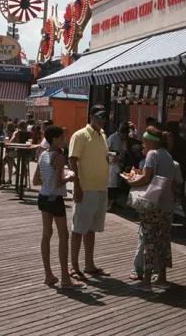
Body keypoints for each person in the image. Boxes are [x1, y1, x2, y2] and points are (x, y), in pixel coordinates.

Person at [126, 126, 177, 291]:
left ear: (150, 141)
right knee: (163, 241)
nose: (143, 143)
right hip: (167, 204)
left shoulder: (152, 154)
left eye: (144, 141)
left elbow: (147, 178)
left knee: (149, 241)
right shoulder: (168, 155)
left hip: (153, 205)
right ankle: (162, 278)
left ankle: (146, 281)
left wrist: (131, 181)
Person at [38, 125, 83, 290]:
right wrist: (70, 177)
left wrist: (50, 178)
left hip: (43, 197)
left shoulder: (42, 154)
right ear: (55, 139)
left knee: (46, 234)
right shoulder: (59, 157)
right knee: (63, 237)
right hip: (55, 199)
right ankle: (65, 278)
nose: (64, 140)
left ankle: (48, 274)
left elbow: (36, 179)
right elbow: (58, 183)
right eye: (62, 137)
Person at [68, 105, 110, 279]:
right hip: (86, 188)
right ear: (91, 116)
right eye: (99, 117)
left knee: (91, 229)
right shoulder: (80, 135)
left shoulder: (103, 135)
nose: (102, 120)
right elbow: (72, 160)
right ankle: (74, 267)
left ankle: (89, 265)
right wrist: (77, 186)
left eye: (104, 117)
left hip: (101, 187)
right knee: (78, 229)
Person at [106, 121, 131, 212]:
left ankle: (114, 202)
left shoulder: (124, 140)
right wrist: (114, 155)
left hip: (120, 164)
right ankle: (110, 204)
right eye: (124, 134)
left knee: (117, 185)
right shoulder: (112, 138)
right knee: (112, 184)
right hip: (112, 164)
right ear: (121, 132)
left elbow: (124, 151)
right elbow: (106, 151)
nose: (125, 137)